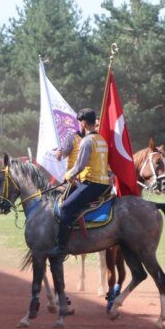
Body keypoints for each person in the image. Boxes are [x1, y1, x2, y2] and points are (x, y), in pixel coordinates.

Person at [47, 108, 111, 257]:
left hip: (91, 183)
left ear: (82, 123)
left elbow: (80, 166)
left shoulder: (86, 141)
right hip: (104, 185)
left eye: (78, 121)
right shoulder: (101, 140)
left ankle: (61, 247)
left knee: (65, 208)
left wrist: (68, 175)